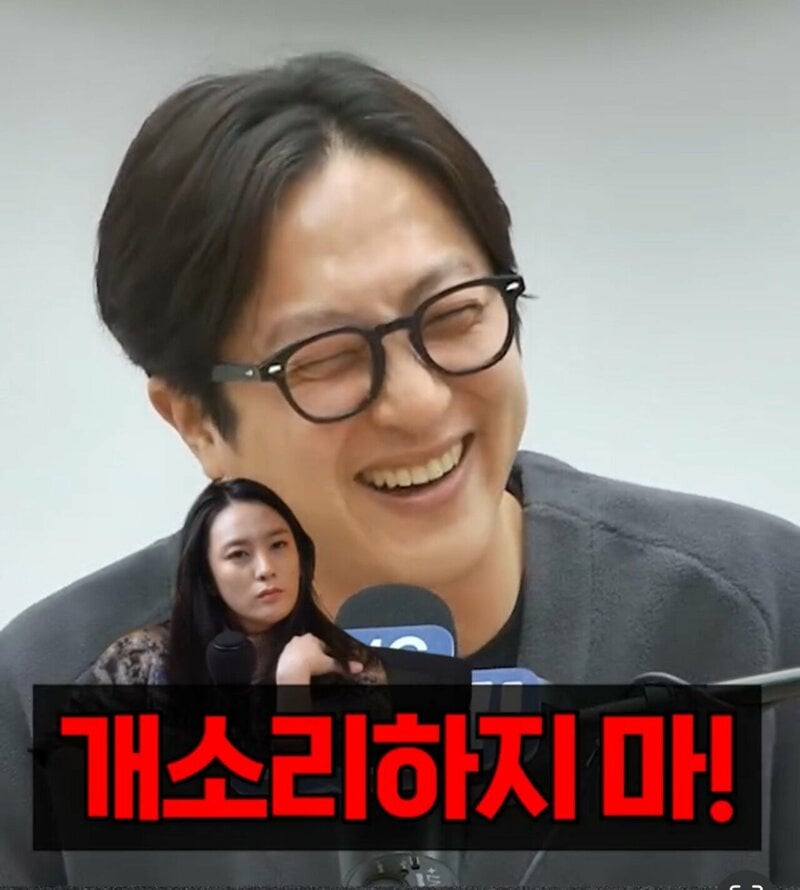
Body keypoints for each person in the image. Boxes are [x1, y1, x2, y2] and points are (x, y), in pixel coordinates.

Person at [1, 52, 798, 887]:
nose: (419, 403)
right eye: (325, 357)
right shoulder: (55, 705)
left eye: (453, 314)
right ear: (196, 420)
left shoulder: (758, 613)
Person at [82, 477, 376, 687]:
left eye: (278, 545)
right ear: (207, 577)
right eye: (239, 554)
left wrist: (294, 683)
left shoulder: (347, 661)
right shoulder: (142, 658)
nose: (265, 569)